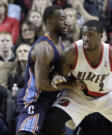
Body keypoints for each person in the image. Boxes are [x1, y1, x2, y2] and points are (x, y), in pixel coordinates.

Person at [16, 5, 84, 135]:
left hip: (52, 99)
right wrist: (70, 85)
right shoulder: (44, 48)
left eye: (66, 19)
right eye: (61, 19)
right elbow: (41, 84)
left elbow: (56, 73)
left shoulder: (60, 45)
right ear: (49, 22)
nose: (66, 22)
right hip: (35, 100)